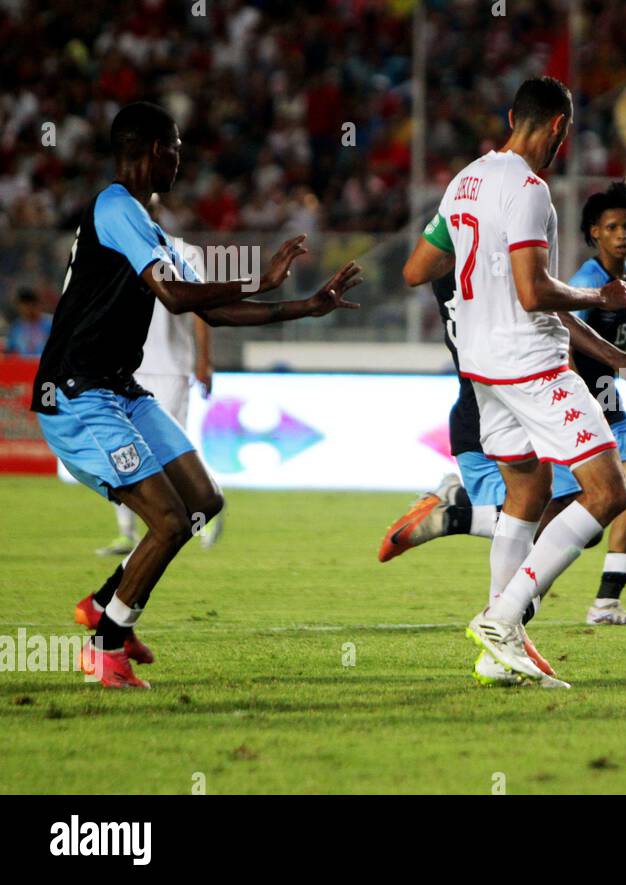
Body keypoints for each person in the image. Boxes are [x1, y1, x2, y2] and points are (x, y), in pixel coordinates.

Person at [32, 101, 362, 689]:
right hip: (79, 395)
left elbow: (211, 307)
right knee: (167, 521)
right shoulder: (114, 206)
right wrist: (260, 277)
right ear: (155, 150)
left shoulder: (148, 224)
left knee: (204, 501)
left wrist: (305, 307)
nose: (181, 160)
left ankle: (108, 604)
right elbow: (179, 297)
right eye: (177, 149)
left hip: (119, 387)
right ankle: (104, 646)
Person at [406, 77, 626, 688]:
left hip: (481, 368)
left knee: (527, 493)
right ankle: (502, 618)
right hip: (532, 364)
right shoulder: (531, 190)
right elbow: (534, 291)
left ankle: (496, 652)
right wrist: (601, 293)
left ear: (513, 115)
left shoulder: (467, 179)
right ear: (560, 128)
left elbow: (416, 269)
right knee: (609, 492)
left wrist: (471, 258)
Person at [546, 181, 626, 627]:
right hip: (580, 408)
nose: (622, 234)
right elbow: (564, 326)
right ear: (594, 232)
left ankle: (606, 604)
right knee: (565, 506)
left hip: (610, 401)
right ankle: (521, 585)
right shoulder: (588, 281)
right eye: (612, 227)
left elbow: (616, 339)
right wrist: (571, 385)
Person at [98, 299, 223, 556]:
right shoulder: (117, 257)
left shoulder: (187, 256)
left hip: (171, 367)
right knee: (121, 448)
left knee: (170, 450)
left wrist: (204, 360)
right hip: (126, 365)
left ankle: (203, 514)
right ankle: (126, 531)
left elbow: (200, 309)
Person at [6, 289, 51, 356]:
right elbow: (11, 350)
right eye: (24, 305)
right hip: (23, 365)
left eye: (31, 304)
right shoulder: (16, 327)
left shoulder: (49, 324)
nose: (28, 308)